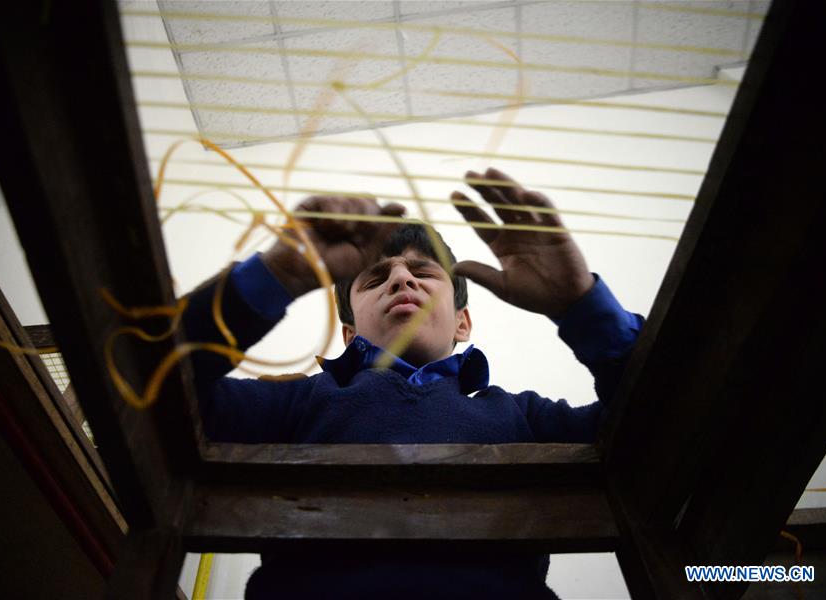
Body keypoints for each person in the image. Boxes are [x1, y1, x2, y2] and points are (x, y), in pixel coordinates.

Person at [182, 168, 644, 599]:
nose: (401, 277)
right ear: (349, 334)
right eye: (376, 278)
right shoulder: (298, 402)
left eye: (423, 272)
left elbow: (660, 427)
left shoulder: (521, 415)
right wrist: (274, 275)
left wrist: (581, 305)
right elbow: (160, 389)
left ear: (462, 323)